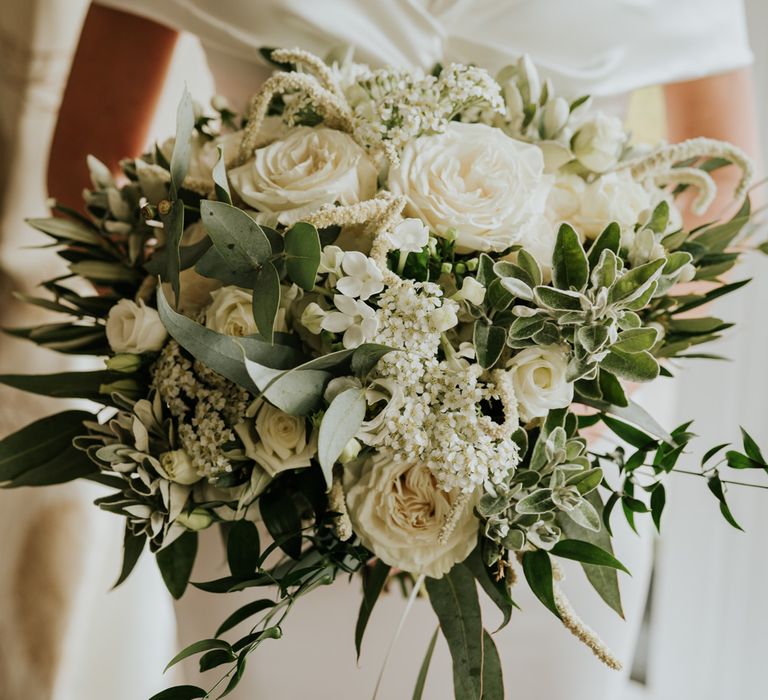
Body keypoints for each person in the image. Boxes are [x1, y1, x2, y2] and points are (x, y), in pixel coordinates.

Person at [44, 2, 760, 698]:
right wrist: (247, 344)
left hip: (553, 458)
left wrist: (578, 364)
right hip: (263, 456)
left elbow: (724, 186)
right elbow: (89, 173)